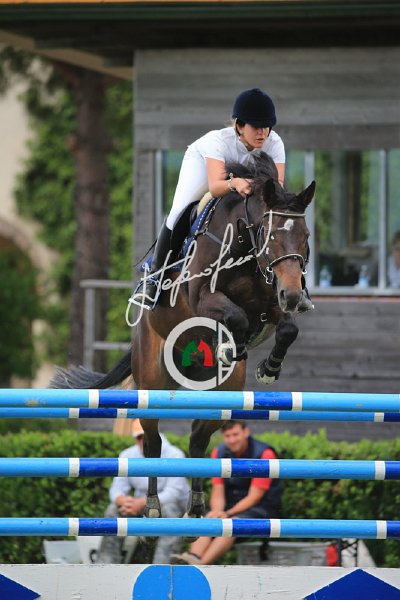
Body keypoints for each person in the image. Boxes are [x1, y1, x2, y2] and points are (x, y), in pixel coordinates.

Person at [133, 88, 315, 310]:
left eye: (267, 126)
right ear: (239, 126)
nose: (263, 133)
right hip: (205, 169)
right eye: (256, 127)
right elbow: (216, 187)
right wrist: (234, 183)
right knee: (179, 210)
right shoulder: (217, 141)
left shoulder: (274, 142)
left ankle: (299, 284)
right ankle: (154, 277)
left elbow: (276, 189)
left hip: (243, 177)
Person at [170, 420, 282, 565]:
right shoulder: (218, 452)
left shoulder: (265, 454)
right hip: (230, 508)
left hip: (261, 508)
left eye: (235, 434)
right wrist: (217, 512)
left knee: (231, 525)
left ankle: (198, 566)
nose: (232, 440)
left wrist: (227, 513)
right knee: (209, 519)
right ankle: (193, 557)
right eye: (228, 436)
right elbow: (218, 490)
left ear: (246, 432)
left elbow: (255, 497)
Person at [96, 419, 190, 564]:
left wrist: (140, 503)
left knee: (170, 511)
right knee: (113, 510)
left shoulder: (175, 454)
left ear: (157, 434)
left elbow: (173, 493)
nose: (144, 440)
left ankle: (162, 568)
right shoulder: (127, 454)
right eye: (139, 437)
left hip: (171, 507)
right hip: (143, 506)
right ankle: (106, 565)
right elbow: (117, 488)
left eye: (148, 435)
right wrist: (122, 500)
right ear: (135, 438)